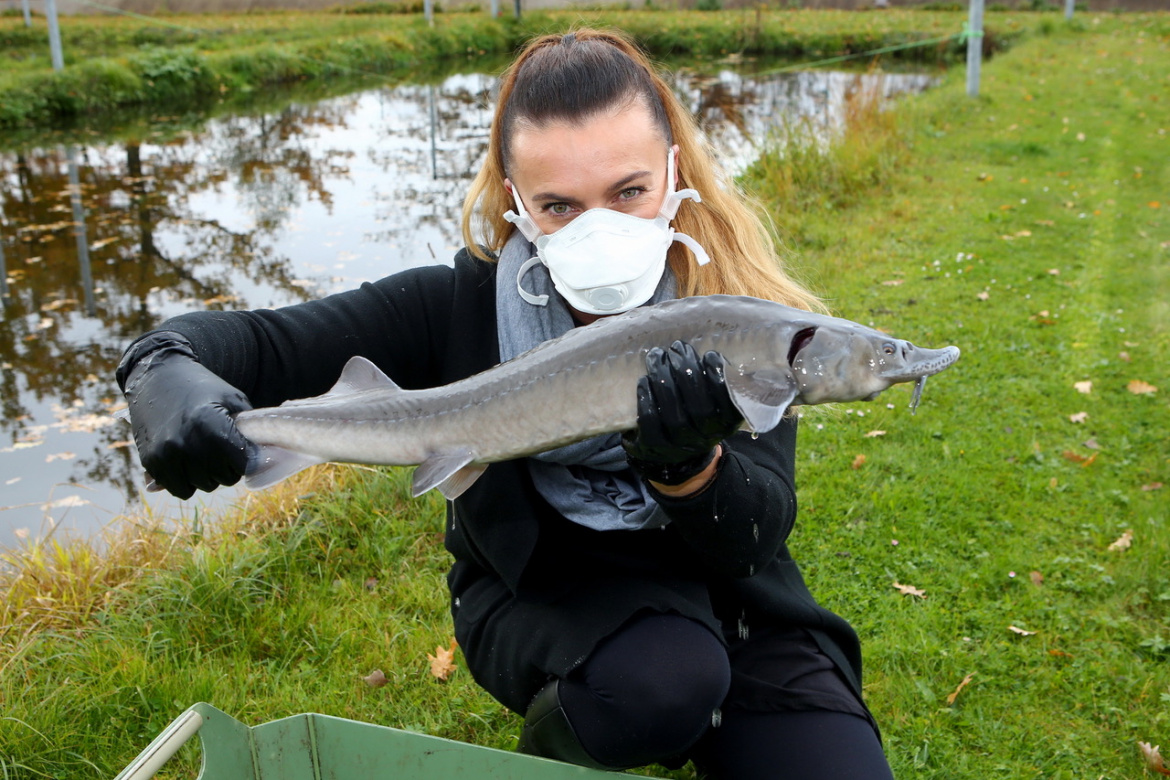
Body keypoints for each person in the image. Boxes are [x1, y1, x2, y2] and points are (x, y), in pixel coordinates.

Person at [117, 28, 895, 780]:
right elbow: (252, 341)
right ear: (514, 196)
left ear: (673, 170)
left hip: (735, 595)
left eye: (629, 191)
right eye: (559, 205)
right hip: (550, 592)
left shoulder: (742, 319)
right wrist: (161, 368)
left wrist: (688, 466)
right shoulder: (456, 305)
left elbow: (754, 541)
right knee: (662, 683)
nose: (600, 228)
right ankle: (568, 743)